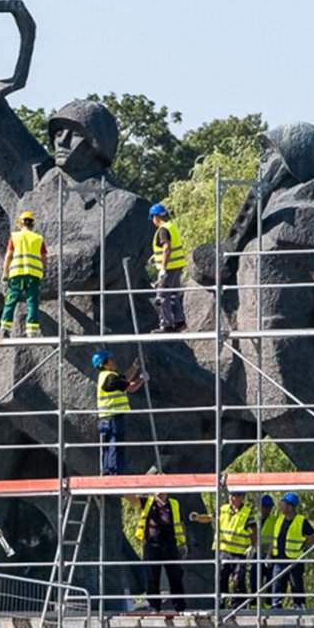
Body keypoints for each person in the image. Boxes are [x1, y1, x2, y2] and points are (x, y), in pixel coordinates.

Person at [123, 473, 186, 611]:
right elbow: (130, 498)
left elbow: (179, 524)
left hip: (170, 544)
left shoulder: (174, 504)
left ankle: (179, 607)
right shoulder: (147, 501)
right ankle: (154, 606)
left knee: (175, 576)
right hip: (152, 544)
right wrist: (125, 483)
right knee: (151, 577)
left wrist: (183, 543)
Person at [92, 351, 144, 473]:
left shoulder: (106, 376)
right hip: (113, 419)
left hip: (106, 419)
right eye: (110, 359)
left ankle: (107, 474)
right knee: (115, 448)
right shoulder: (110, 378)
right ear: (104, 363)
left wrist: (135, 367)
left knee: (107, 449)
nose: (113, 360)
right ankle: (114, 475)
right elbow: (130, 387)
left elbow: (124, 378)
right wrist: (142, 379)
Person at [0, 209, 45, 339]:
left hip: (17, 274)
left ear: (21, 223)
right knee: (32, 302)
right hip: (33, 274)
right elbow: (44, 257)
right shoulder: (38, 238)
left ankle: (5, 328)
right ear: (32, 224)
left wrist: (5, 273)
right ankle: (32, 331)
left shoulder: (15, 237)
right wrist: (42, 271)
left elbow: (8, 256)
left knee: (11, 300)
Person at [148, 202, 187, 333]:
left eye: (152, 218)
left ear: (156, 217)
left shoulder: (163, 229)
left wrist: (163, 268)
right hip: (177, 266)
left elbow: (167, 247)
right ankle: (179, 322)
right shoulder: (171, 227)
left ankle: (166, 324)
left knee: (162, 296)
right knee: (174, 295)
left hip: (169, 267)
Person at [211, 490, 256, 597]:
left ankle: (239, 605)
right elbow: (210, 517)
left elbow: (254, 530)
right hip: (224, 551)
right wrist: (198, 517)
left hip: (239, 553)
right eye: (231, 495)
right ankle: (221, 605)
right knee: (221, 578)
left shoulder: (247, 512)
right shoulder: (223, 509)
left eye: (236, 495)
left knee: (238, 579)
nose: (233, 498)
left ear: (242, 497)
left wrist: (253, 546)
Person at [272, 492, 313, 607]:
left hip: (294, 560)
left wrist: (303, 546)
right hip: (279, 559)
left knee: (296, 585)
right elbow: (275, 537)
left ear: (290, 507)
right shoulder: (280, 519)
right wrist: (269, 554)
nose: (280, 506)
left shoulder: (301, 521)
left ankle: (299, 606)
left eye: (283, 504)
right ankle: (276, 606)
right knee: (277, 585)